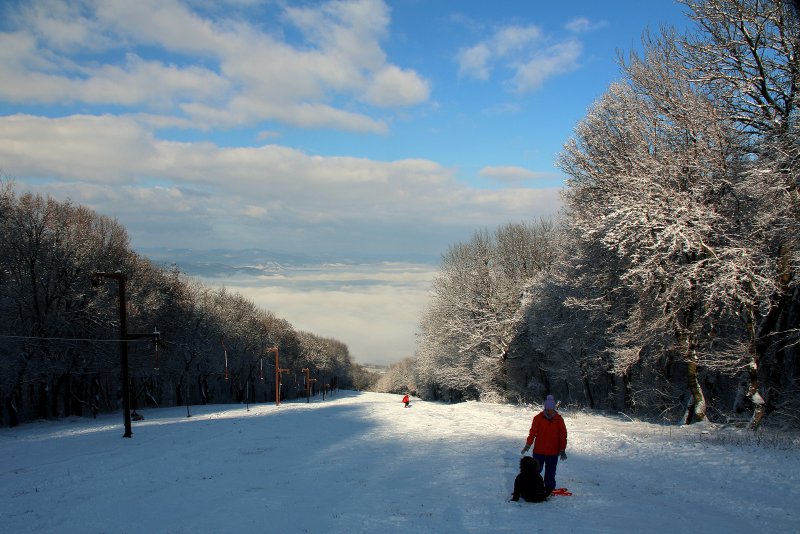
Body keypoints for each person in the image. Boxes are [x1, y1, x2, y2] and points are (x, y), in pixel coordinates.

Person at [521, 395, 567, 491]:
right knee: (535, 470)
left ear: (554, 409)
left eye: (551, 410)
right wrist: (528, 444)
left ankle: (549, 487)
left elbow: (563, 435)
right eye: (547, 410)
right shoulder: (538, 418)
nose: (549, 412)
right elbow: (532, 432)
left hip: (553, 451)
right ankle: (532, 486)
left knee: (551, 471)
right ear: (545, 409)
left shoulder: (559, 420)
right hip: (539, 451)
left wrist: (562, 449)